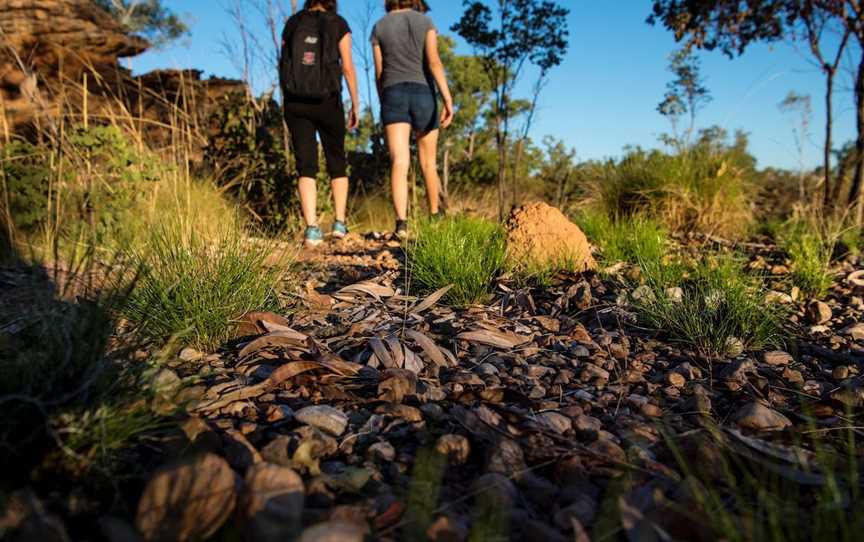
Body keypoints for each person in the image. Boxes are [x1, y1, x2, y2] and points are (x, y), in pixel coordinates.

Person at [281, 0, 360, 247]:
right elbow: (347, 66)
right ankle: (339, 224)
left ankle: (312, 229)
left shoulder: (293, 23)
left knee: (306, 165)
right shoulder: (338, 23)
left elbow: (283, 62)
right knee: (337, 162)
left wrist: (288, 94)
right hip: (328, 101)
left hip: (296, 102)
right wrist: (355, 104)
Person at [372, 0, 454, 237]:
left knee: (400, 161)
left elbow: (380, 73)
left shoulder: (379, 26)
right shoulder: (425, 21)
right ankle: (435, 218)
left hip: (393, 93)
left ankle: (401, 224)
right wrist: (447, 99)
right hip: (423, 94)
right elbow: (434, 62)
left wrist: (384, 99)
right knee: (428, 163)